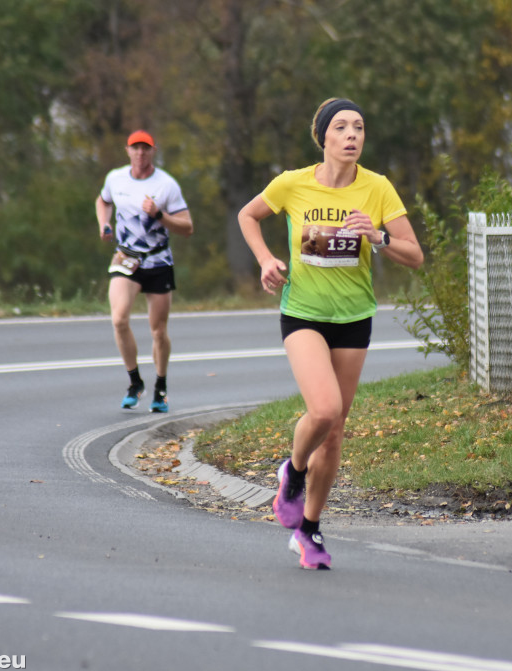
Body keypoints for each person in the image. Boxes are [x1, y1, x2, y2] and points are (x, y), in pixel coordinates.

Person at [238, 98, 424, 569]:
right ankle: (293, 471)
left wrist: (378, 237)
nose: (351, 135)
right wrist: (265, 259)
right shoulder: (292, 183)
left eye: (358, 127)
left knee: (336, 432)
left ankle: (309, 530)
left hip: (354, 317)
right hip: (303, 312)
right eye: (340, 127)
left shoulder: (377, 188)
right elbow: (248, 215)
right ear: (323, 137)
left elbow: (415, 255)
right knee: (324, 410)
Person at [96, 130, 194, 413]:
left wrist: (159, 215)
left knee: (158, 331)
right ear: (127, 150)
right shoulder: (115, 178)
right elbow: (103, 201)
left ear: (153, 151)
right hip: (127, 257)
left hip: (158, 261)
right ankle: (135, 382)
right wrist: (104, 223)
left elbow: (187, 227)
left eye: (146, 148)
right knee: (119, 319)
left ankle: (160, 387)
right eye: (135, 148)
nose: (140, 153)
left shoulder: (166, 185)